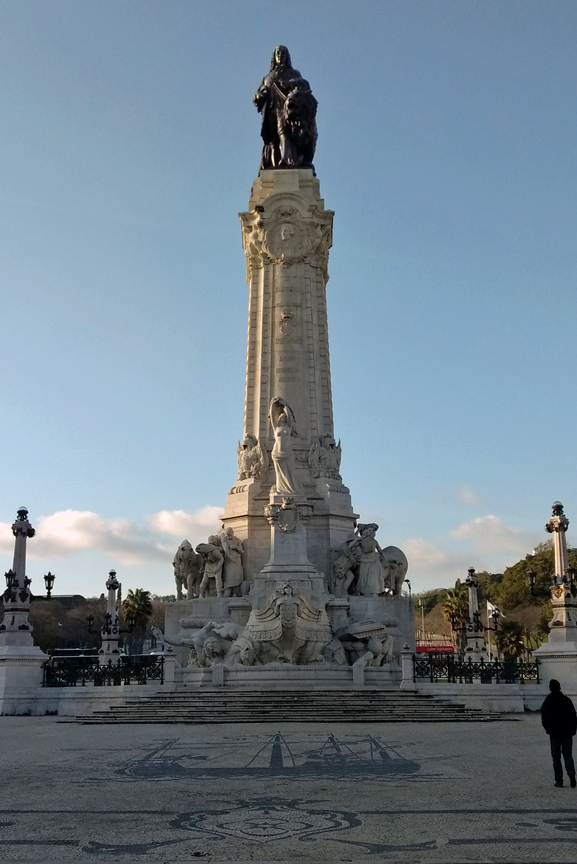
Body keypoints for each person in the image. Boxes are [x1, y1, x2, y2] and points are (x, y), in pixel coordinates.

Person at [541, 679, 577, 787]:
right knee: (568, 755)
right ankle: (571, 771)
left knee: (556, 758)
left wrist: (548, 729)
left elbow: (544, 718)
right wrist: (573, 730)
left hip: (555, 733)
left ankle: (559, 780)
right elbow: (573, 716)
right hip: (567, 733)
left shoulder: (548, 701)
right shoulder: (567, 700)